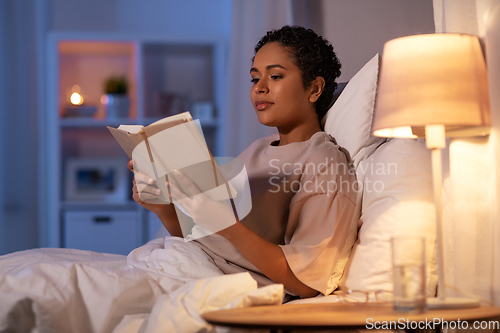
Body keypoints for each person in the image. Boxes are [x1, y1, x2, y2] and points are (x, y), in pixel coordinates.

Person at [129, 25, 358, 300]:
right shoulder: (257, 149)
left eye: (275, 76)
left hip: (225, 284)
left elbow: (307, 281)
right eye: (254, 78)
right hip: (189, 261)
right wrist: (163, 207)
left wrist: (226, 224)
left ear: (314, 88)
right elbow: (206, 236)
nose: (259, 88)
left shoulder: (323, 161)